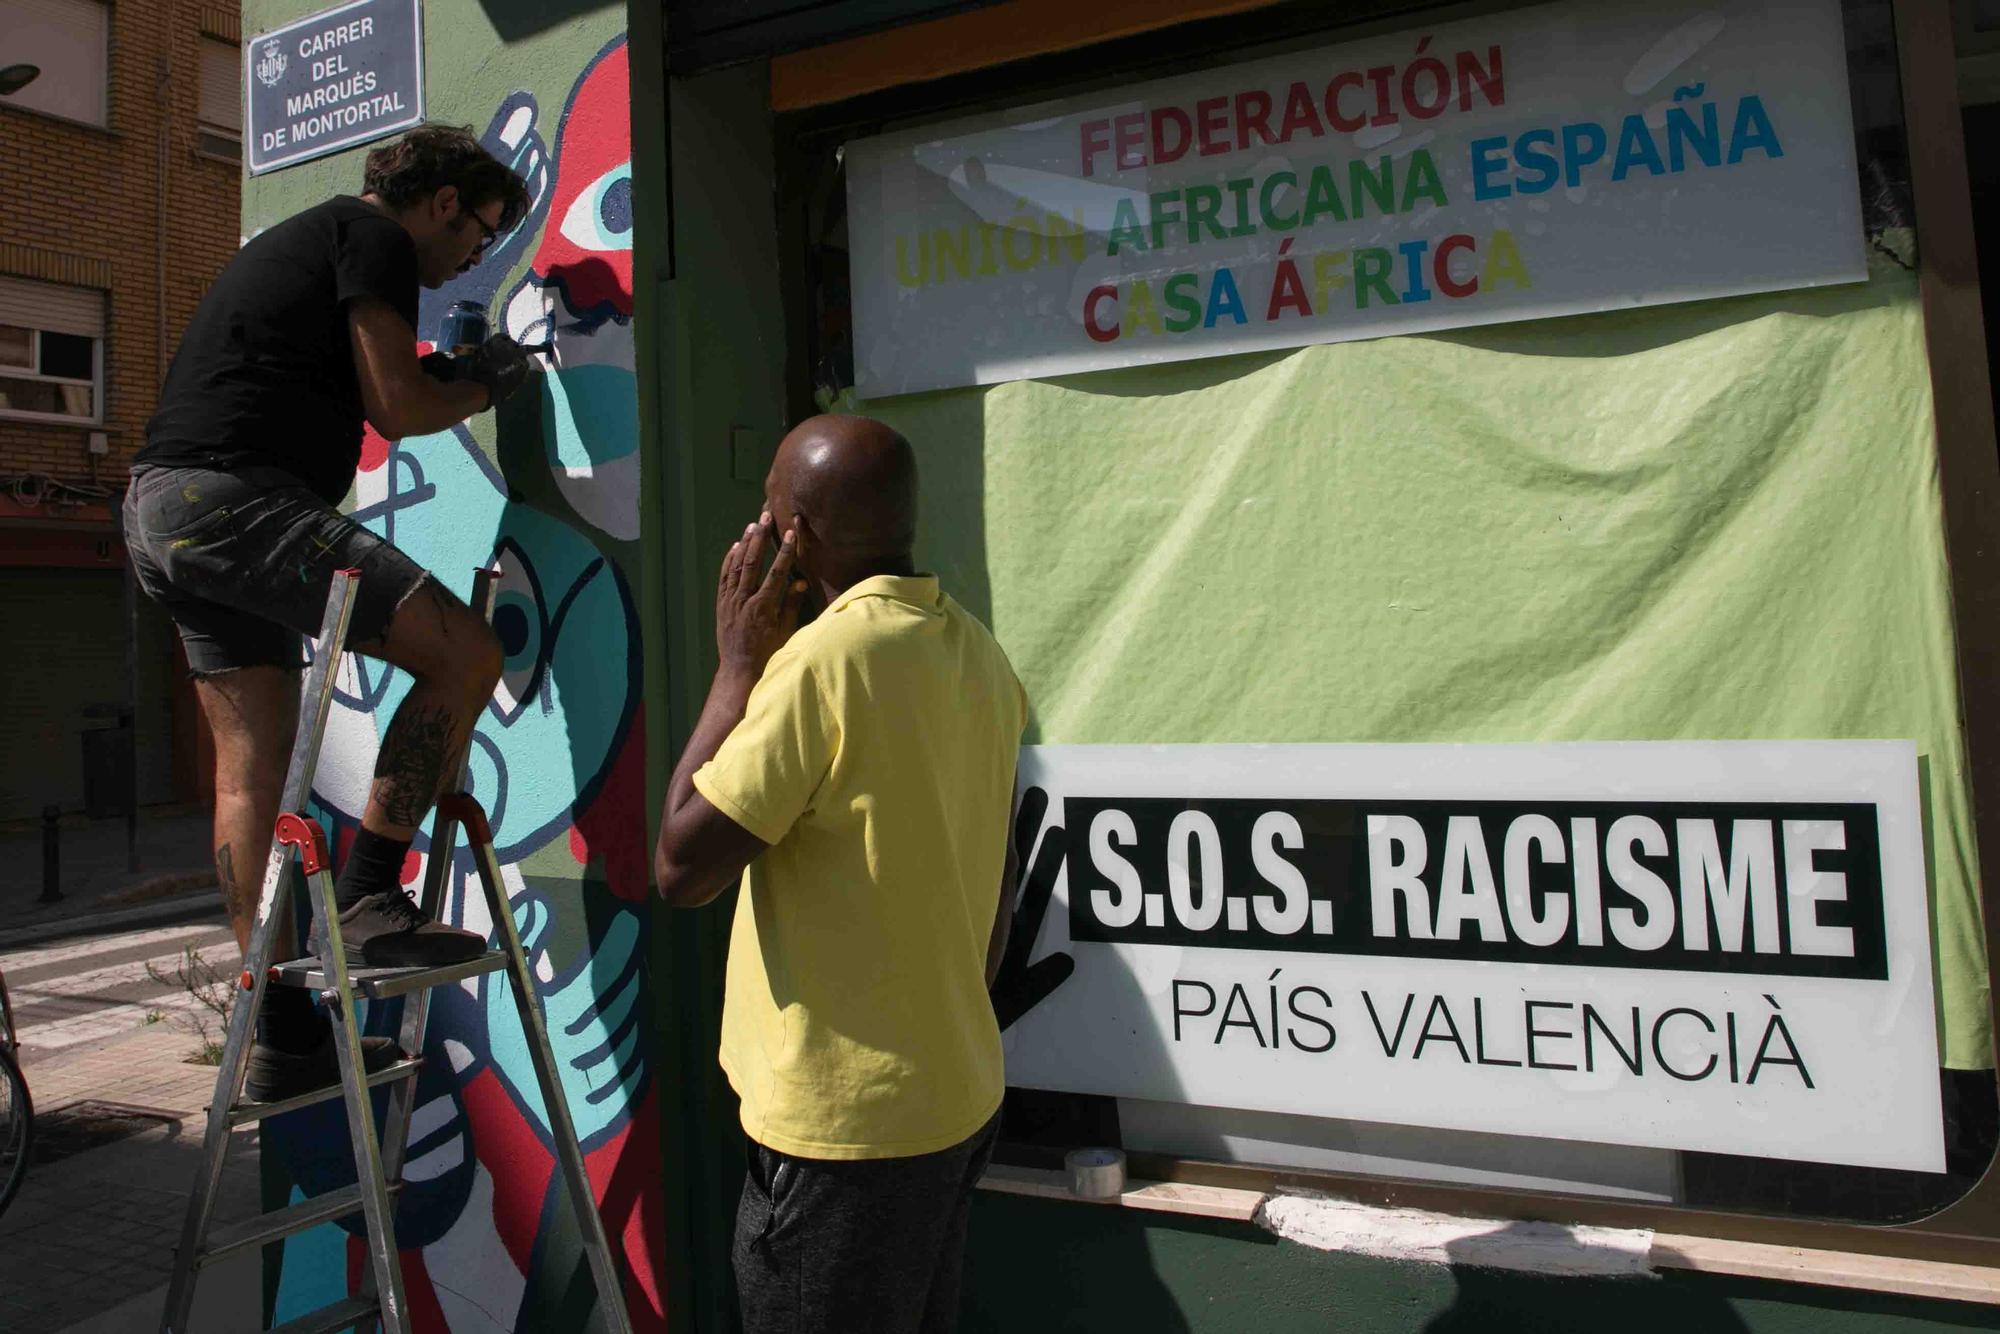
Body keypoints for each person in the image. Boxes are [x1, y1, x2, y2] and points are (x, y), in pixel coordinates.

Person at [124, 125, 538, 1101]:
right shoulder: (374, 237)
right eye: (480, 231)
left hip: (162, 508)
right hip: (235, 499)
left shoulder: (312, 249)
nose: (474, 255)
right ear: (442, 202)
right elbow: (395, 403)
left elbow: (371, 376)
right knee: (466, 654)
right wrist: (489, 379)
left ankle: (282, 1026)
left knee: (250, 766)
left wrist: (445, 367)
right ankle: (367, 899)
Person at [653, 414, 1027, 1333]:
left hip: (843, 1133)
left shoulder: (822, 663)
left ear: (795, 535)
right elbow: (1000, 878)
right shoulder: (976, 650)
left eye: (769, 510)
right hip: (953, 1096)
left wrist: (736, 669)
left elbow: (678, 864)